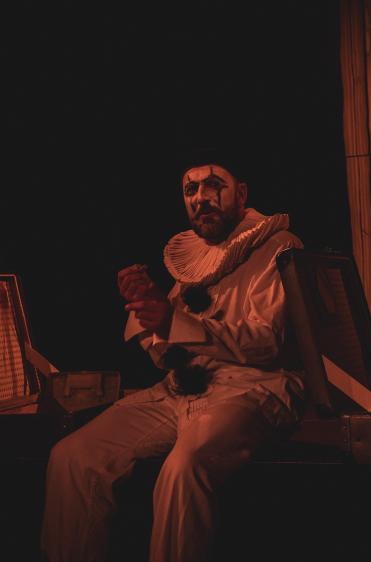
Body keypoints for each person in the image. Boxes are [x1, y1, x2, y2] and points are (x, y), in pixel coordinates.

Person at [41, 152, 305, 562]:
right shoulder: (193, 259)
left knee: (185, 468)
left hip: (251, 388)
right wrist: (151, 311)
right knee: (73, 456)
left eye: (213, 185)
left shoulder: (277, 247)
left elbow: (266, 343)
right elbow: (167, 358)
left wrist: (174, 322)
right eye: (190, 189)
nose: (201, 197)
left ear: (241, 194)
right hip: (180, 390)